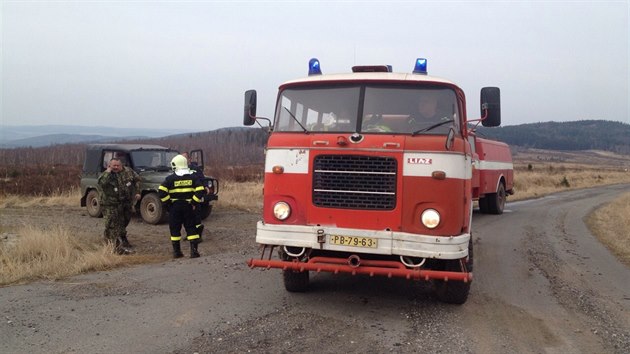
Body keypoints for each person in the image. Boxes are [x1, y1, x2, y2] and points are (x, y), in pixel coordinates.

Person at [158, 154, 206, 258]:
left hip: (175, 207)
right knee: (191, 228)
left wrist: (169, 203)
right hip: (189, 206)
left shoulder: (169, 179)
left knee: (175, 229)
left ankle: (177, 252)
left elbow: (161, 191)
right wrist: (194, 202)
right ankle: (194, 252)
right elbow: (200, 190)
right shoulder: (193, 177)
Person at [97, 157, 141, 254]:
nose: (116, 167)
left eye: (118, 165)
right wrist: (108, 171)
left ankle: (121, 237)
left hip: (125, 202)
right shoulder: (106, 175)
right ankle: (112, 245)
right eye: (114, 166)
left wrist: (137, 192)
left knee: (124, 220)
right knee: (111, 224)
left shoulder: (128, 171)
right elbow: (101, 183)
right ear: (109, 165)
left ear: (121, 165)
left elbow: (137, 179)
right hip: (110, 204)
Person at [181, 151, 209, 241]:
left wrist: (205, 186)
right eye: (182, 158)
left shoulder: (195, 169)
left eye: (185, 158)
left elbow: (202, 178)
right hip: (185, 197)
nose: (183, 160)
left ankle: (198, 236)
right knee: (186, 218)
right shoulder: (180, 169)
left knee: (196, 216)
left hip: (195, 196)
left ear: (189, 159)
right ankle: (189, 234)